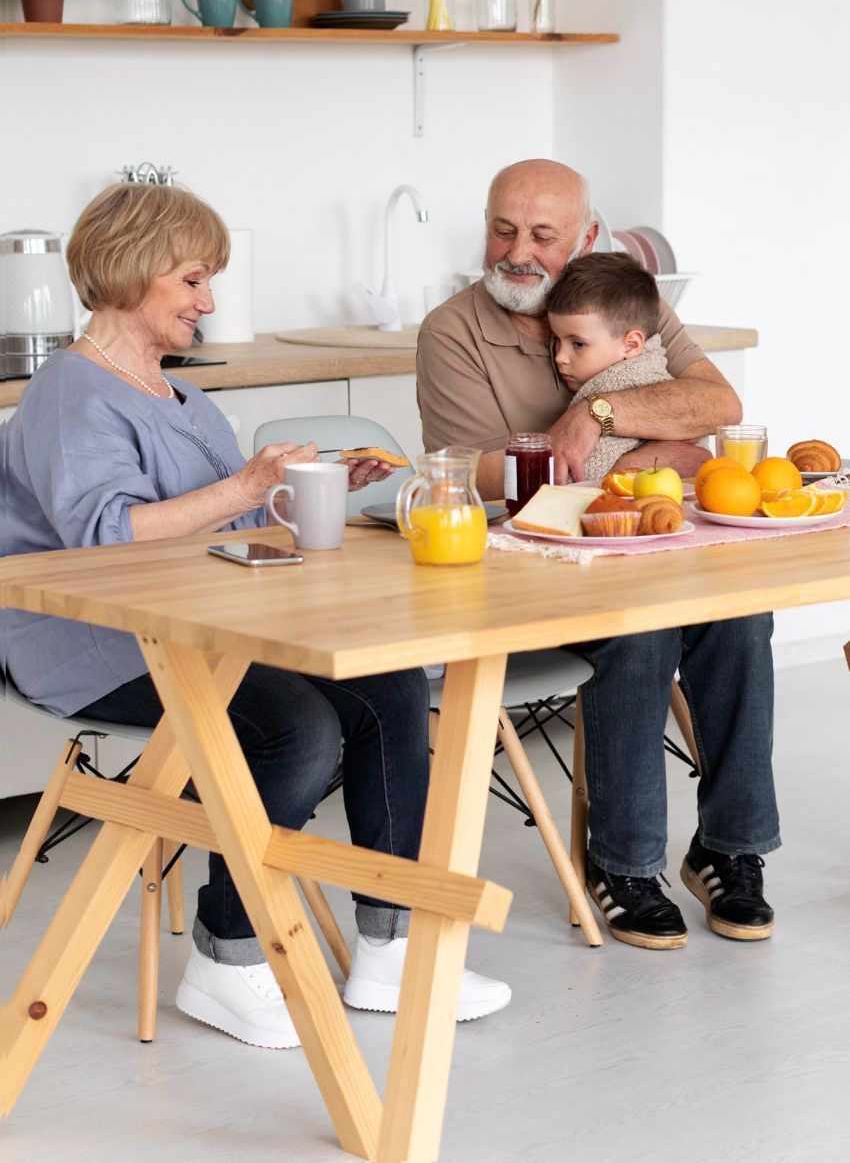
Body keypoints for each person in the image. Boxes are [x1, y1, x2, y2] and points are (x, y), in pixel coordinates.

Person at [4, 182, 510, 1047]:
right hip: (89, 638)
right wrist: (247, 483)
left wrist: (283, 491)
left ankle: (391, 948)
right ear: (131, 274)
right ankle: (229, 958)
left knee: (386, 685)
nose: (209, 302)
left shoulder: (185, 399)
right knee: (295, 728)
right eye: (195, 281)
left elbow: (225, 528)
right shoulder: (71, 393)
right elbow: (106, 534)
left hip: (193, 623)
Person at [417, 158, 778, 949]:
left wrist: (602, 412)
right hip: (527, 566)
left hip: (646, 544)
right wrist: (614, 444)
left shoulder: (618, 294)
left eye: (544, 235)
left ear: (584, 236)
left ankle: (729, 849)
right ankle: (623, 864)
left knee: (743, 614)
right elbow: (468, 468)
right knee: (640, 627)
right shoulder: (452, 330)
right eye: (503, 229)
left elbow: (720, 403)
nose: (520, 251)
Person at [546, 251, 708, 483]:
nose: (560, 357)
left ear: (631, 344)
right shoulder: (653, 369)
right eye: (557, 341)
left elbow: (577, 476)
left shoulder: (613, 384)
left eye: (578, 344)